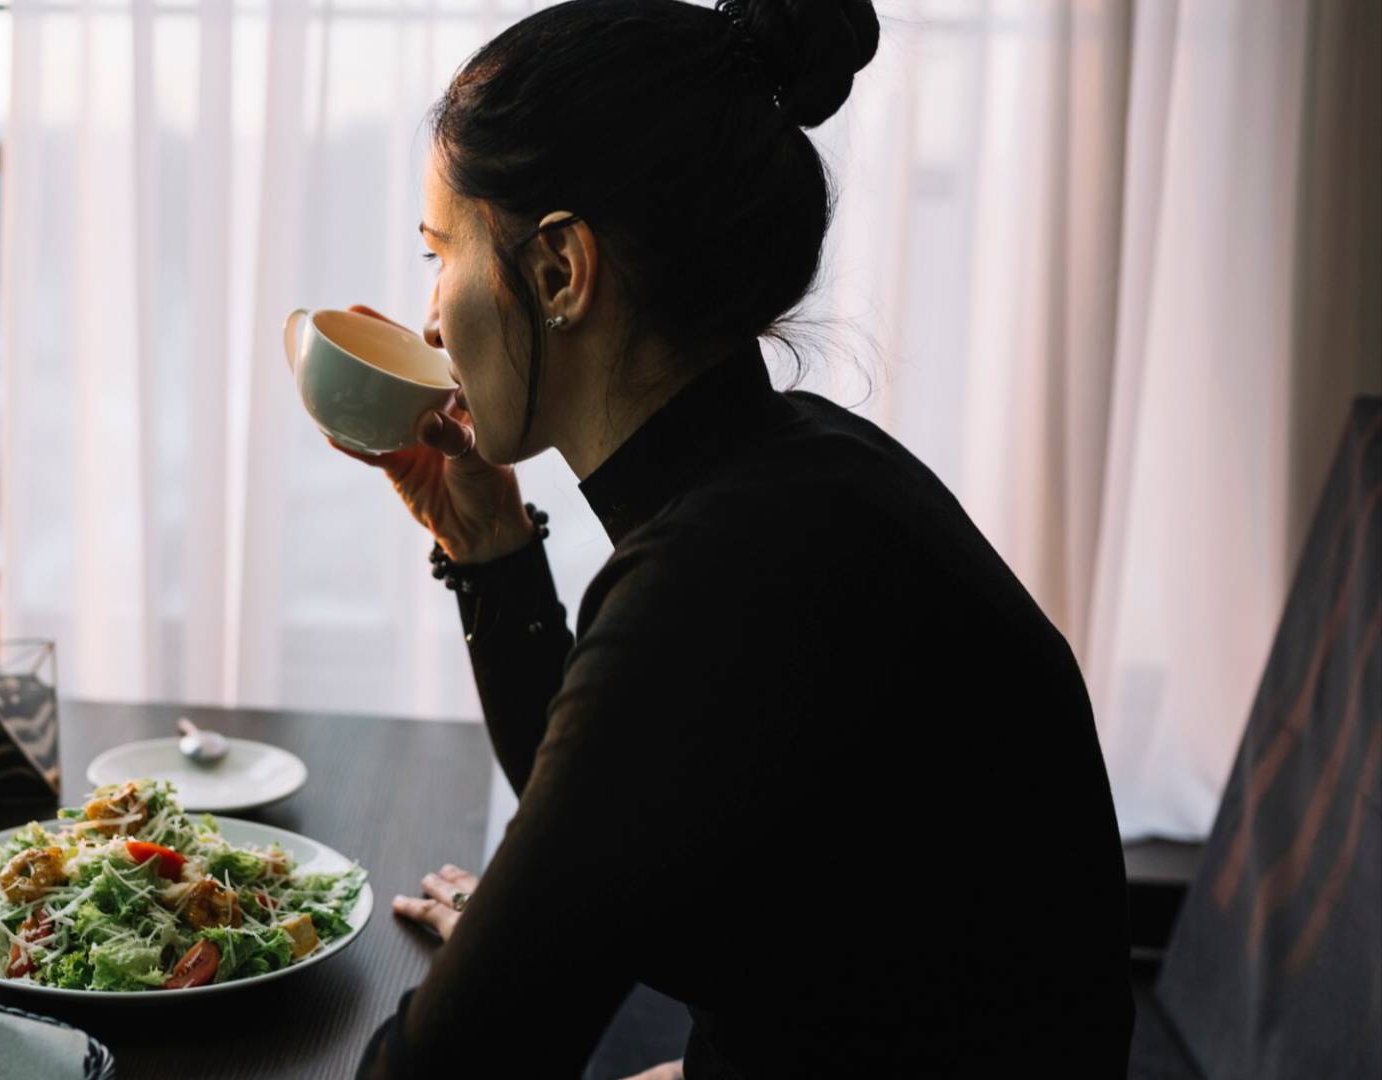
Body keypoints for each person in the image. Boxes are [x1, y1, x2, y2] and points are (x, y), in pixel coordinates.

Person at [336, 0, 1135, 1076]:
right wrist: (491, 549)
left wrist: (521, 954)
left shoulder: (724, 573)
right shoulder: (800, 471)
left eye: (441, 252)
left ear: (562, 271)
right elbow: (626, 809)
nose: (429, 319)